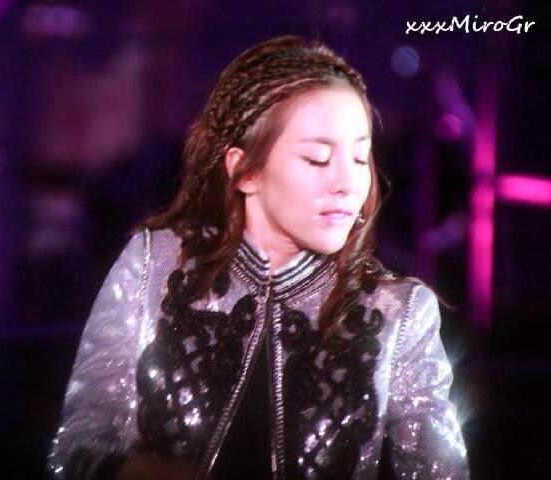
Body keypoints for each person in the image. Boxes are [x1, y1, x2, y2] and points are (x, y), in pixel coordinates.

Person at [46, 35, 470, 480]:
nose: (348, 183)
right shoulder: (156, 264)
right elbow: (78, 449)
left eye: (361, 158)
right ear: (245, 170)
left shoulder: (398, 312)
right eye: (318, 158)